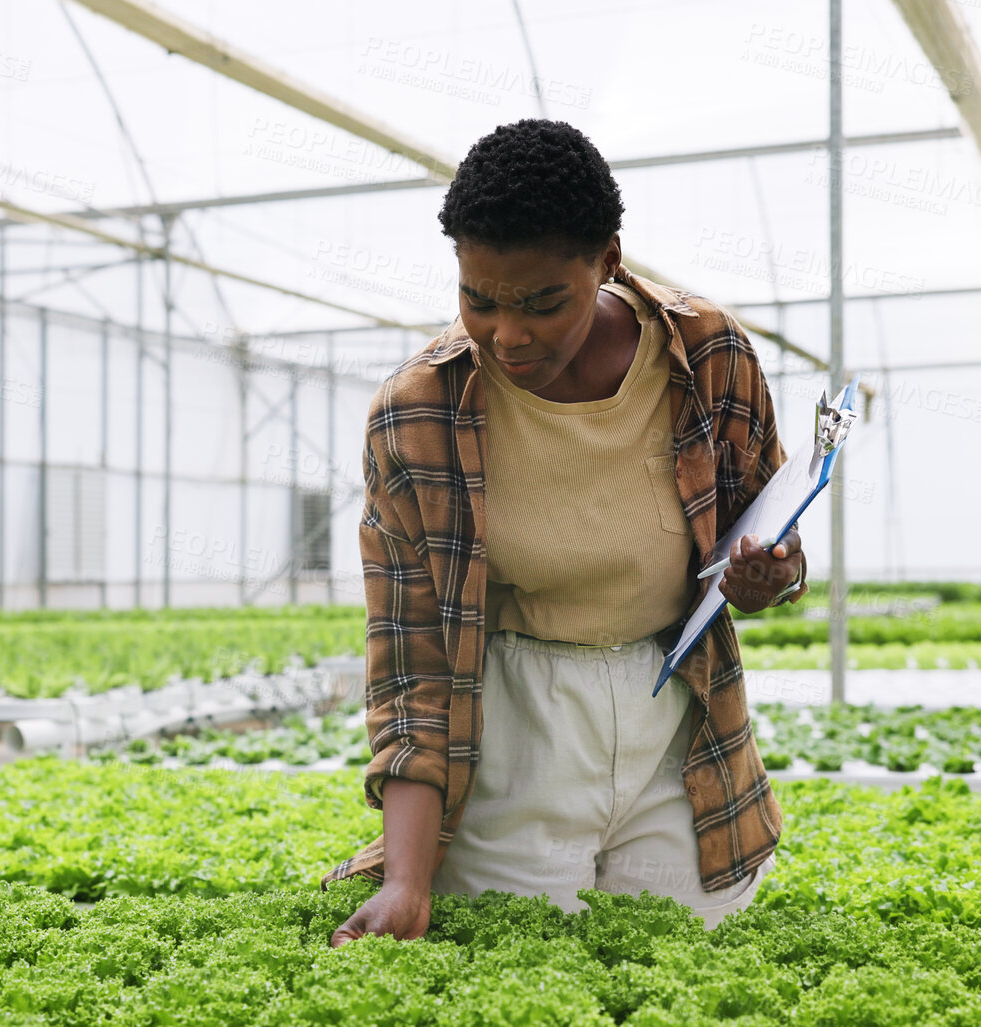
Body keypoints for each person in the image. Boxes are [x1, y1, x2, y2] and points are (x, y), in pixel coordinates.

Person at [325, 119, 808, 946]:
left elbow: (769, 531)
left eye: (544, 303)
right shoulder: (416, 413)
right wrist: (405, 878)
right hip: (513, 719)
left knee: (684, 965)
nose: (508, 335)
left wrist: (770, 573)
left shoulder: (710, 355)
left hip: (680, 713)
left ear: (607, 260)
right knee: (517, 964)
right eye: (479, 300)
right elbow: (411, 659)